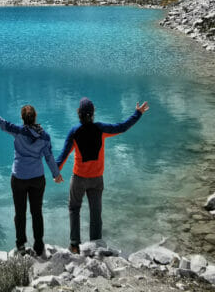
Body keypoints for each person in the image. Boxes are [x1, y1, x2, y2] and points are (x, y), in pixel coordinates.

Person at [0, 83, 63, 256]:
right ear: (35, 117)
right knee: (37, 213)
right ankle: (38, 246)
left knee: (19, 213)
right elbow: (49, 157)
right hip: (37, 179)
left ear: (23, 118)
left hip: (19, 178)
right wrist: (56, 175)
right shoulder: (45, 137)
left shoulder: (17, 131)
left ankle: (20, 246)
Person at [56, 97, 149, 253]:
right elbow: (122, 127)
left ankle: (74, 245)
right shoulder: (101, 129)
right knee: (96, 212)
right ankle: (96, 245)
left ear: (78, 113)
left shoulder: (74, 131)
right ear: (93, 114)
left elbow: (63, 154)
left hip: (79, 178)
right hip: (96, 179)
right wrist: (137, 114)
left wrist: (55, 172)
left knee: (74, 208)